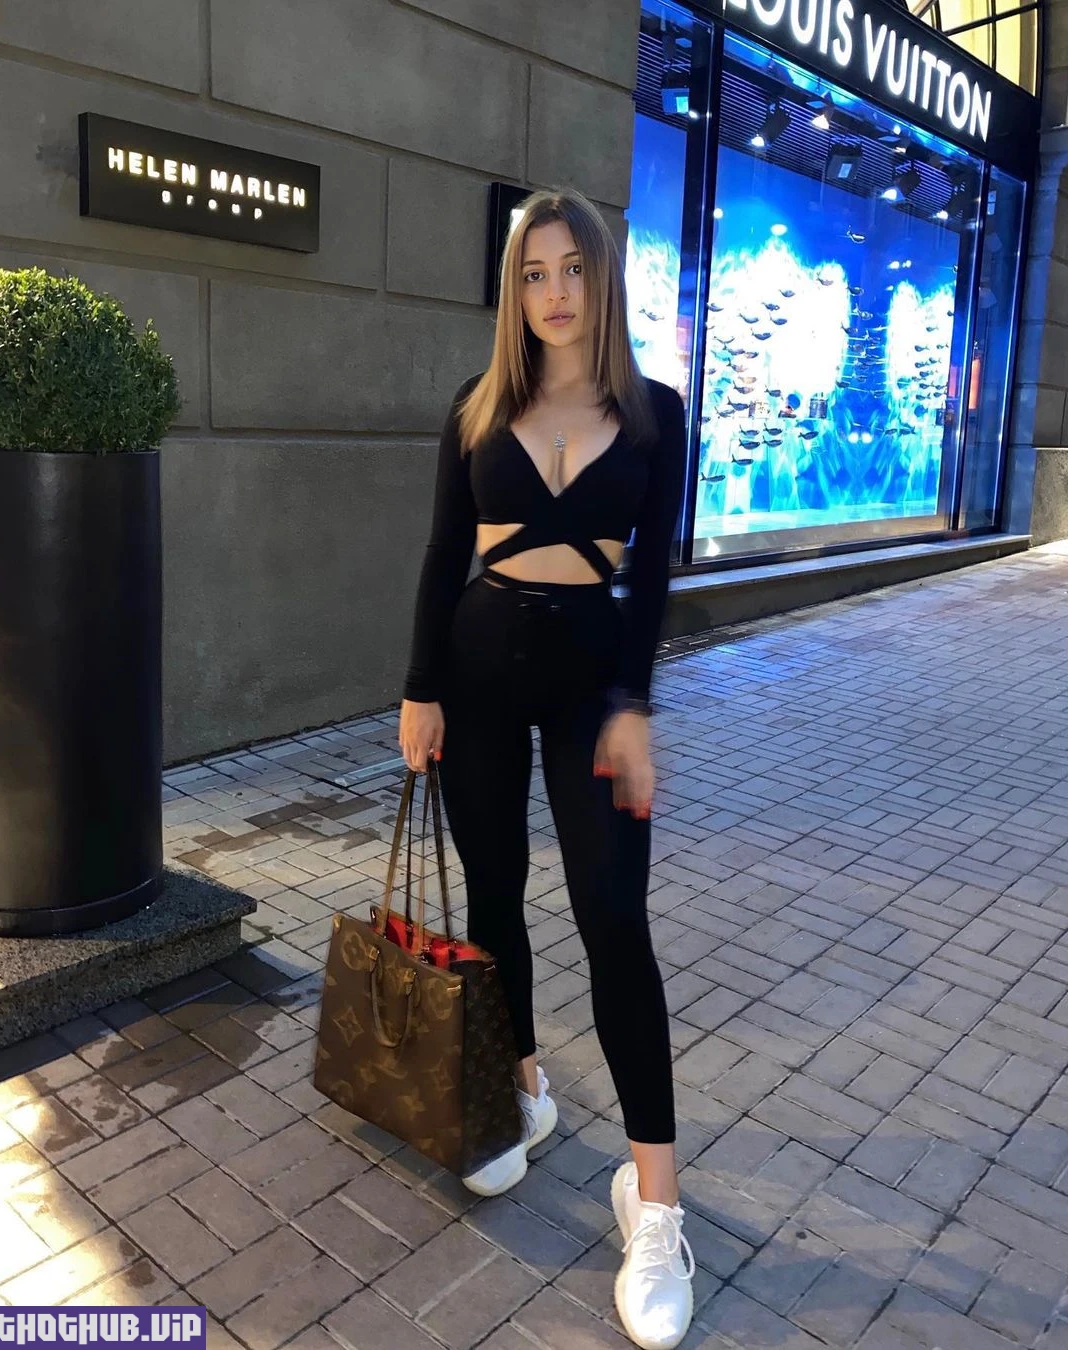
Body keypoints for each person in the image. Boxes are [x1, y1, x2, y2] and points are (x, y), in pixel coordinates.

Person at [398, 187, 694, 1350]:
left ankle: (655, 1204)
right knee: (493, 897)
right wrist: (419, 691)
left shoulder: (657, 414)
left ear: (601, 279)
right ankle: (522, 1088)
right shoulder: (474, 409)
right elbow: (440, 558)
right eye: (533, 272)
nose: (554, 291)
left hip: (591, 692)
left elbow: (653, 577)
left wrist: (634, 707)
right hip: (476, 675)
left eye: (572, 269)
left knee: (615, 920)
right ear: (513, 290)